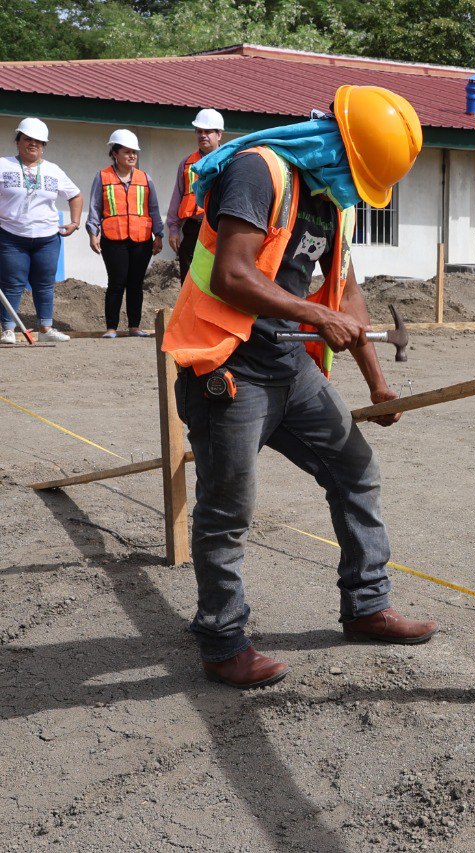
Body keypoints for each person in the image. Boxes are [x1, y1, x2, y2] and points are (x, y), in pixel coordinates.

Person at [162, 85, 433, 690]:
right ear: (335, 143)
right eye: (358, 174)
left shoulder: (332, 201)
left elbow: (346, 296)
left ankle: (366, 606)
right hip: (228, 366)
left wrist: (379, 384)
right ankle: (222, 639)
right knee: (227, 510)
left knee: (355, 471)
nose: (355, 187)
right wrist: (316, 318)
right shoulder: (259, 172)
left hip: (291, 369)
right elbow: (233, 274)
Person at [0, 118, 81, 345]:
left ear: (44, 145)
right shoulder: (3, 165)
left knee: (44, 283)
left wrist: (75, 223)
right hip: (11, 236)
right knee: (12, 283)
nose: (32, 144)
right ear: (18, 141)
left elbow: (75, 195)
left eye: (38, 141)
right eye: (27, 139)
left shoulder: (53, 170)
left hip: (47, 238)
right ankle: (8, 330)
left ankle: (46, 327)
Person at [86, 129, 163, 337]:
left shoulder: (145, 178)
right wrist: (93, 233)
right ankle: (111, 327)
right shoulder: (102, 177)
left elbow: (153, 208)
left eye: (134, 153)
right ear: (114, 153)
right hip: (113, 239)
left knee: (136, 283)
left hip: (141, 239)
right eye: (127, 152)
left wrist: (159, 235)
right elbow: (95, 206)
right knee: (117, 282)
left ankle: (134, 327)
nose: (132, 156)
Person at [166, 109, 223, 284]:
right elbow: (178, 195)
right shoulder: (186, 163)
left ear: (219, 134)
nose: (203, 135)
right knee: (188, 269)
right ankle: (188, 309)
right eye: (199, 131)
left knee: (216, 272)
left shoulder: (229, 160)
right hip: (192, 226)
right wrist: (173, 230)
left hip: (218, 226)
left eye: (208, 132)